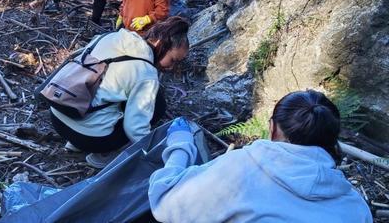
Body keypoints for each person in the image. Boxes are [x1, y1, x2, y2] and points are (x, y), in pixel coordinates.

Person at [149, 91, 373, 223]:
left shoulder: (238, 169)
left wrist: (180, 145)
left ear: (272, 129)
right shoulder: (356, 208)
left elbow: (166, 203)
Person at [50, 17, 190, 168]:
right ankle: (105, 156)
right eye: (172, 60)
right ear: (160, 44)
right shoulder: (146, 73)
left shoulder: (112, 37)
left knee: (109, 90)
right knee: (158, 105)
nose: (171, 67)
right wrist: (153, 151)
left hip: (59, 113)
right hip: (89, 137)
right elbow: (135, 128)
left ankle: (74, 144)